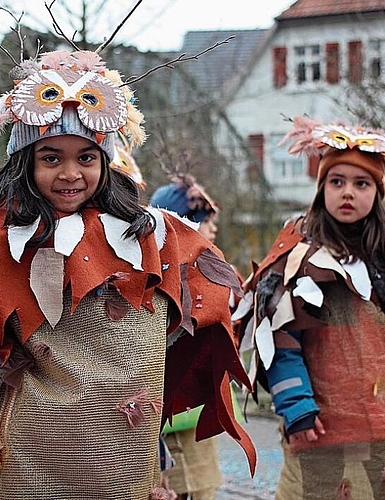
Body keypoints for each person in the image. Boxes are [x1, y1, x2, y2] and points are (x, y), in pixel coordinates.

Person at [0, 49, 256, 498]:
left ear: (105, 161)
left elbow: (188, 314)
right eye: (51, 157)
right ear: (26, 161)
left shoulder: (153, 236)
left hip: (120, 453)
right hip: (28, 448)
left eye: (86, 157)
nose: (70, 173)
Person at [241, 117, 385, 499]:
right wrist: (296, 407)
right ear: (322, 187)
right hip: (320, 428)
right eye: (337, 182)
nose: (348, 193)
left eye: (361, 184)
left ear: (377, 191)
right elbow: (279, 340)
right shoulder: (297, 256)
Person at [150, 174, 224, 500]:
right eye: (206, 221)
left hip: (198, 418)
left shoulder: (204, 273)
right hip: (172, 420)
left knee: (203, 487)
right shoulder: (168, 283)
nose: (213, 229)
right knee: (180, 488)